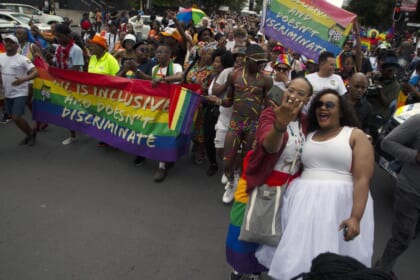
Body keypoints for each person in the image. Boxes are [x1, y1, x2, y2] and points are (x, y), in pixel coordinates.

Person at [256, 89, 375, 280]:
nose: (323, 108)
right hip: (302, 204)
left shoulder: (355, 135)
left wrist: (355, 217)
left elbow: (363, 178)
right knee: (298, 253)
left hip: (339, 205)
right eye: (319, 105)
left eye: (329, 105)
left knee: (334, 258)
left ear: (342, 111)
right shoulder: (308, 134)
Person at [225, 77, 313, 280]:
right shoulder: (270, 114)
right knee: (243, 230)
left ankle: (256, 270)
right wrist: (280, 125)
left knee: (267, 235)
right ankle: (239, 268)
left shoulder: (306, 122)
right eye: (291, 90)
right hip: (257, 182)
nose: (293, 96)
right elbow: (268, 146)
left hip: (286, 189)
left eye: (301, 93)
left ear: (308, 98)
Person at [221, 44, 273, 204]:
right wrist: (217, 101)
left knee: (247, 160)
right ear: (247, 60)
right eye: (257, 62)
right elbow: (228, 101)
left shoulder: (266, 80)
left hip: (253, 125)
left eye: (262, 62)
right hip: (236, 123)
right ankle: (231, 182)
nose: (260, 65)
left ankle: (242, 188)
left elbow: (268, 106)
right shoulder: (234, 75)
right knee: (227, 160)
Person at [375, 114, 420, 279]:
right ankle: (381, 271)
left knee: (409, 235)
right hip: (411, 191)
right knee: (402, 238)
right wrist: (415, 156)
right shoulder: (417, 121)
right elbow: (387, 143)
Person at [151, 44, 183, 182]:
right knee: (160, 132)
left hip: (172, 104)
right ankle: (163, 164)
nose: (160, 54)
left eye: (164, 52)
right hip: (158, 106)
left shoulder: (175, 67)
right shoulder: (154, 68)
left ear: (170, 55)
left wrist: (162, 80)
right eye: (158, 52)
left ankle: (163, 164)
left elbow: (179, 77)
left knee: (169, 133)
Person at [0, 34, 38, 146]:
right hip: (7, 93)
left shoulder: (23, 59)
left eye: (11, 42)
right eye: (6, 41)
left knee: (16, 117)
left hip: (20, 92)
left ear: (17, 46)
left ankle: (31, 134)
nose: (8, 44)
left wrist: (22, 80)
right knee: (13, 116)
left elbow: (36, 72)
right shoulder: (1, 57)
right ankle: (29, 133)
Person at [53, 24, 85, 145]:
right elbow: (56, 63)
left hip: (74, 85)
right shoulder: (58, 48)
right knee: (68, 110)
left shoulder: (76, 50)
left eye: (60, 36)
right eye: (57, 36)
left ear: (67, 35)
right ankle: (74, 131)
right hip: (62, 83)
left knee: (70, 109)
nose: (58, 39)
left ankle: (73, 134)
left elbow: (76, 70)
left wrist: (65, 80)